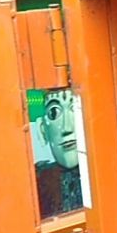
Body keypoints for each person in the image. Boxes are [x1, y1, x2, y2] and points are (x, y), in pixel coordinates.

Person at [34, 88, 83, 218]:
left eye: (75, 108)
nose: (67, 127)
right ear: (43, 130)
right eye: (54, 113)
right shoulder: (38, 184)